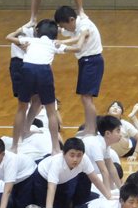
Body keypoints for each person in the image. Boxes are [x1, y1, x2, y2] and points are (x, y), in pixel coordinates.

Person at [6, 19, 85, 152]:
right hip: (44, 71)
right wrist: (82, 36)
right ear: (55, 35)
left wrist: (21, 29)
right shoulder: (53, 43)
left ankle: (14, 146)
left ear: (37, 31)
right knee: (50, 111)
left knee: (21, 108)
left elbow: (9, 37)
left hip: (27, 70)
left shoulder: (30, 40)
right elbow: (78, 48)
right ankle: (55, 148)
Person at [55, 5, 103, 136]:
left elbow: (80, 38)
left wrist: (62, 43)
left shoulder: (84, 24)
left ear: (71, 19)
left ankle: (92, 130)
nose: (65, 29)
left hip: (92, 61)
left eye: (65, 26)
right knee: (85, 98)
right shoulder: (73, 26)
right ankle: (89, 128)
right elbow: (61, 30)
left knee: (87, 98)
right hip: (85, 61)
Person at [31, 137, 111, 208]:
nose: (75, 159)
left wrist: (108, 197)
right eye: (72, 155)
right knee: (43, 206)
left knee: (63, 207)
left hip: (63, 180)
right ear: (64, 154)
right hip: (42, 179)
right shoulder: (57, 162)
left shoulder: (85, 160)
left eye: (79, 155)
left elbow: (95, 179)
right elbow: (52, 187)